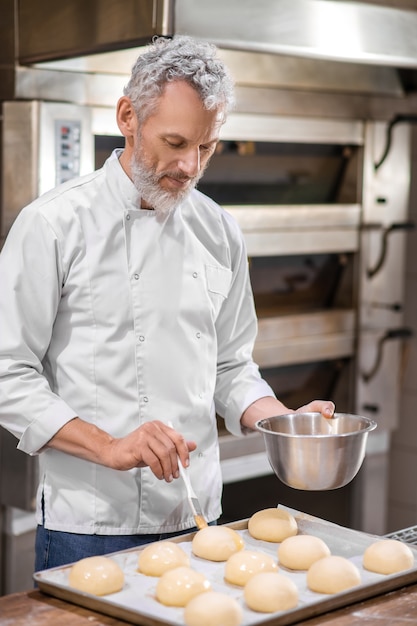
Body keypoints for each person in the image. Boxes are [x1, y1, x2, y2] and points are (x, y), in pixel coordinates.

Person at [0, 35, 334, 572]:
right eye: (175, 142)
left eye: (205, 147)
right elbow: (7, 372)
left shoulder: (219, 229)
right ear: (128, 116)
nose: (188, 166)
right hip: (89, 523)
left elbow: (230, 364)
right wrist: (110, 446)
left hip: (197, 518)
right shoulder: (53, 224)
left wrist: (283, 421)